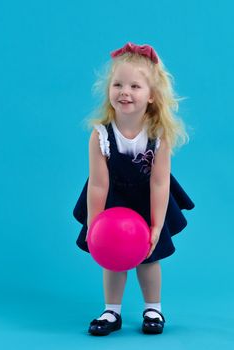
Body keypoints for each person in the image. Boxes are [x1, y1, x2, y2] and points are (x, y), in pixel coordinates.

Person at [73, 42, 195, 336]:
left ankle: (153, 308)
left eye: (134, 86)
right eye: (117, 84)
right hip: (113, 201)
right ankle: (111, 311)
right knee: (114, 259)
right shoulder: (100, 135)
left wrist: (155, 224)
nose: (124, 92)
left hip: (147, 199)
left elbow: (159, 181)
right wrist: (95, 223)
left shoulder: (158, 135)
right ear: (109, 91)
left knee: (148, 258)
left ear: (151, 96)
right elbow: (99, 183)